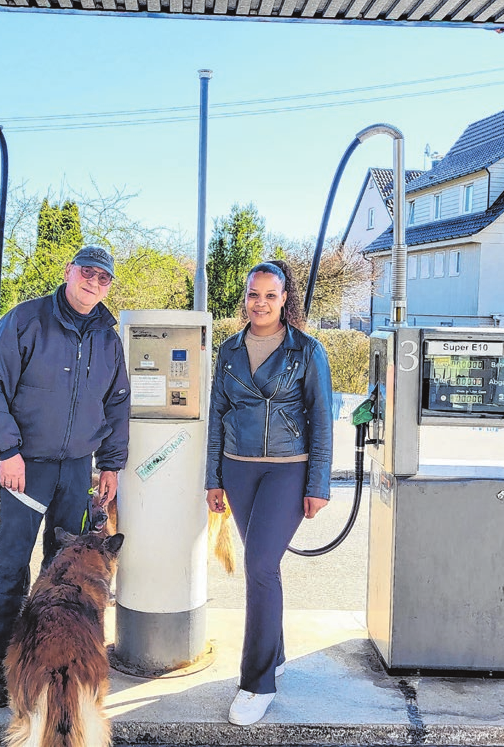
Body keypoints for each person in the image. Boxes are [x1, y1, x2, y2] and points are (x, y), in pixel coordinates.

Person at [0, 245, 131, 708]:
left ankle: (49, 665)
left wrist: (110, 463)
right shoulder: (25, 321)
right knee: (11, 567)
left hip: (78, 468)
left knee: (65, 572)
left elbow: (117, 403)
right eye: (87, 273)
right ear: (69, 272)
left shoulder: (108, 337)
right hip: (26, 466)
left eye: (104, 279)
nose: (94, 283)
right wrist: (6, 450)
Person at [205, 260, 333, 726]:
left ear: (285, 299)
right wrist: (213, 478)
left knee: (259, 567)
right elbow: (217, 414)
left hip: (288, 470)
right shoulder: (230, 350)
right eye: (253, 294)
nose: (260, 303)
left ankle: (257, 682)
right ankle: (273, 651)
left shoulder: (307, 350)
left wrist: (318, 484)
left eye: (270, 295)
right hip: (238, 471)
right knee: (265, 568)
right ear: (245, 297)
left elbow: (321, 419)